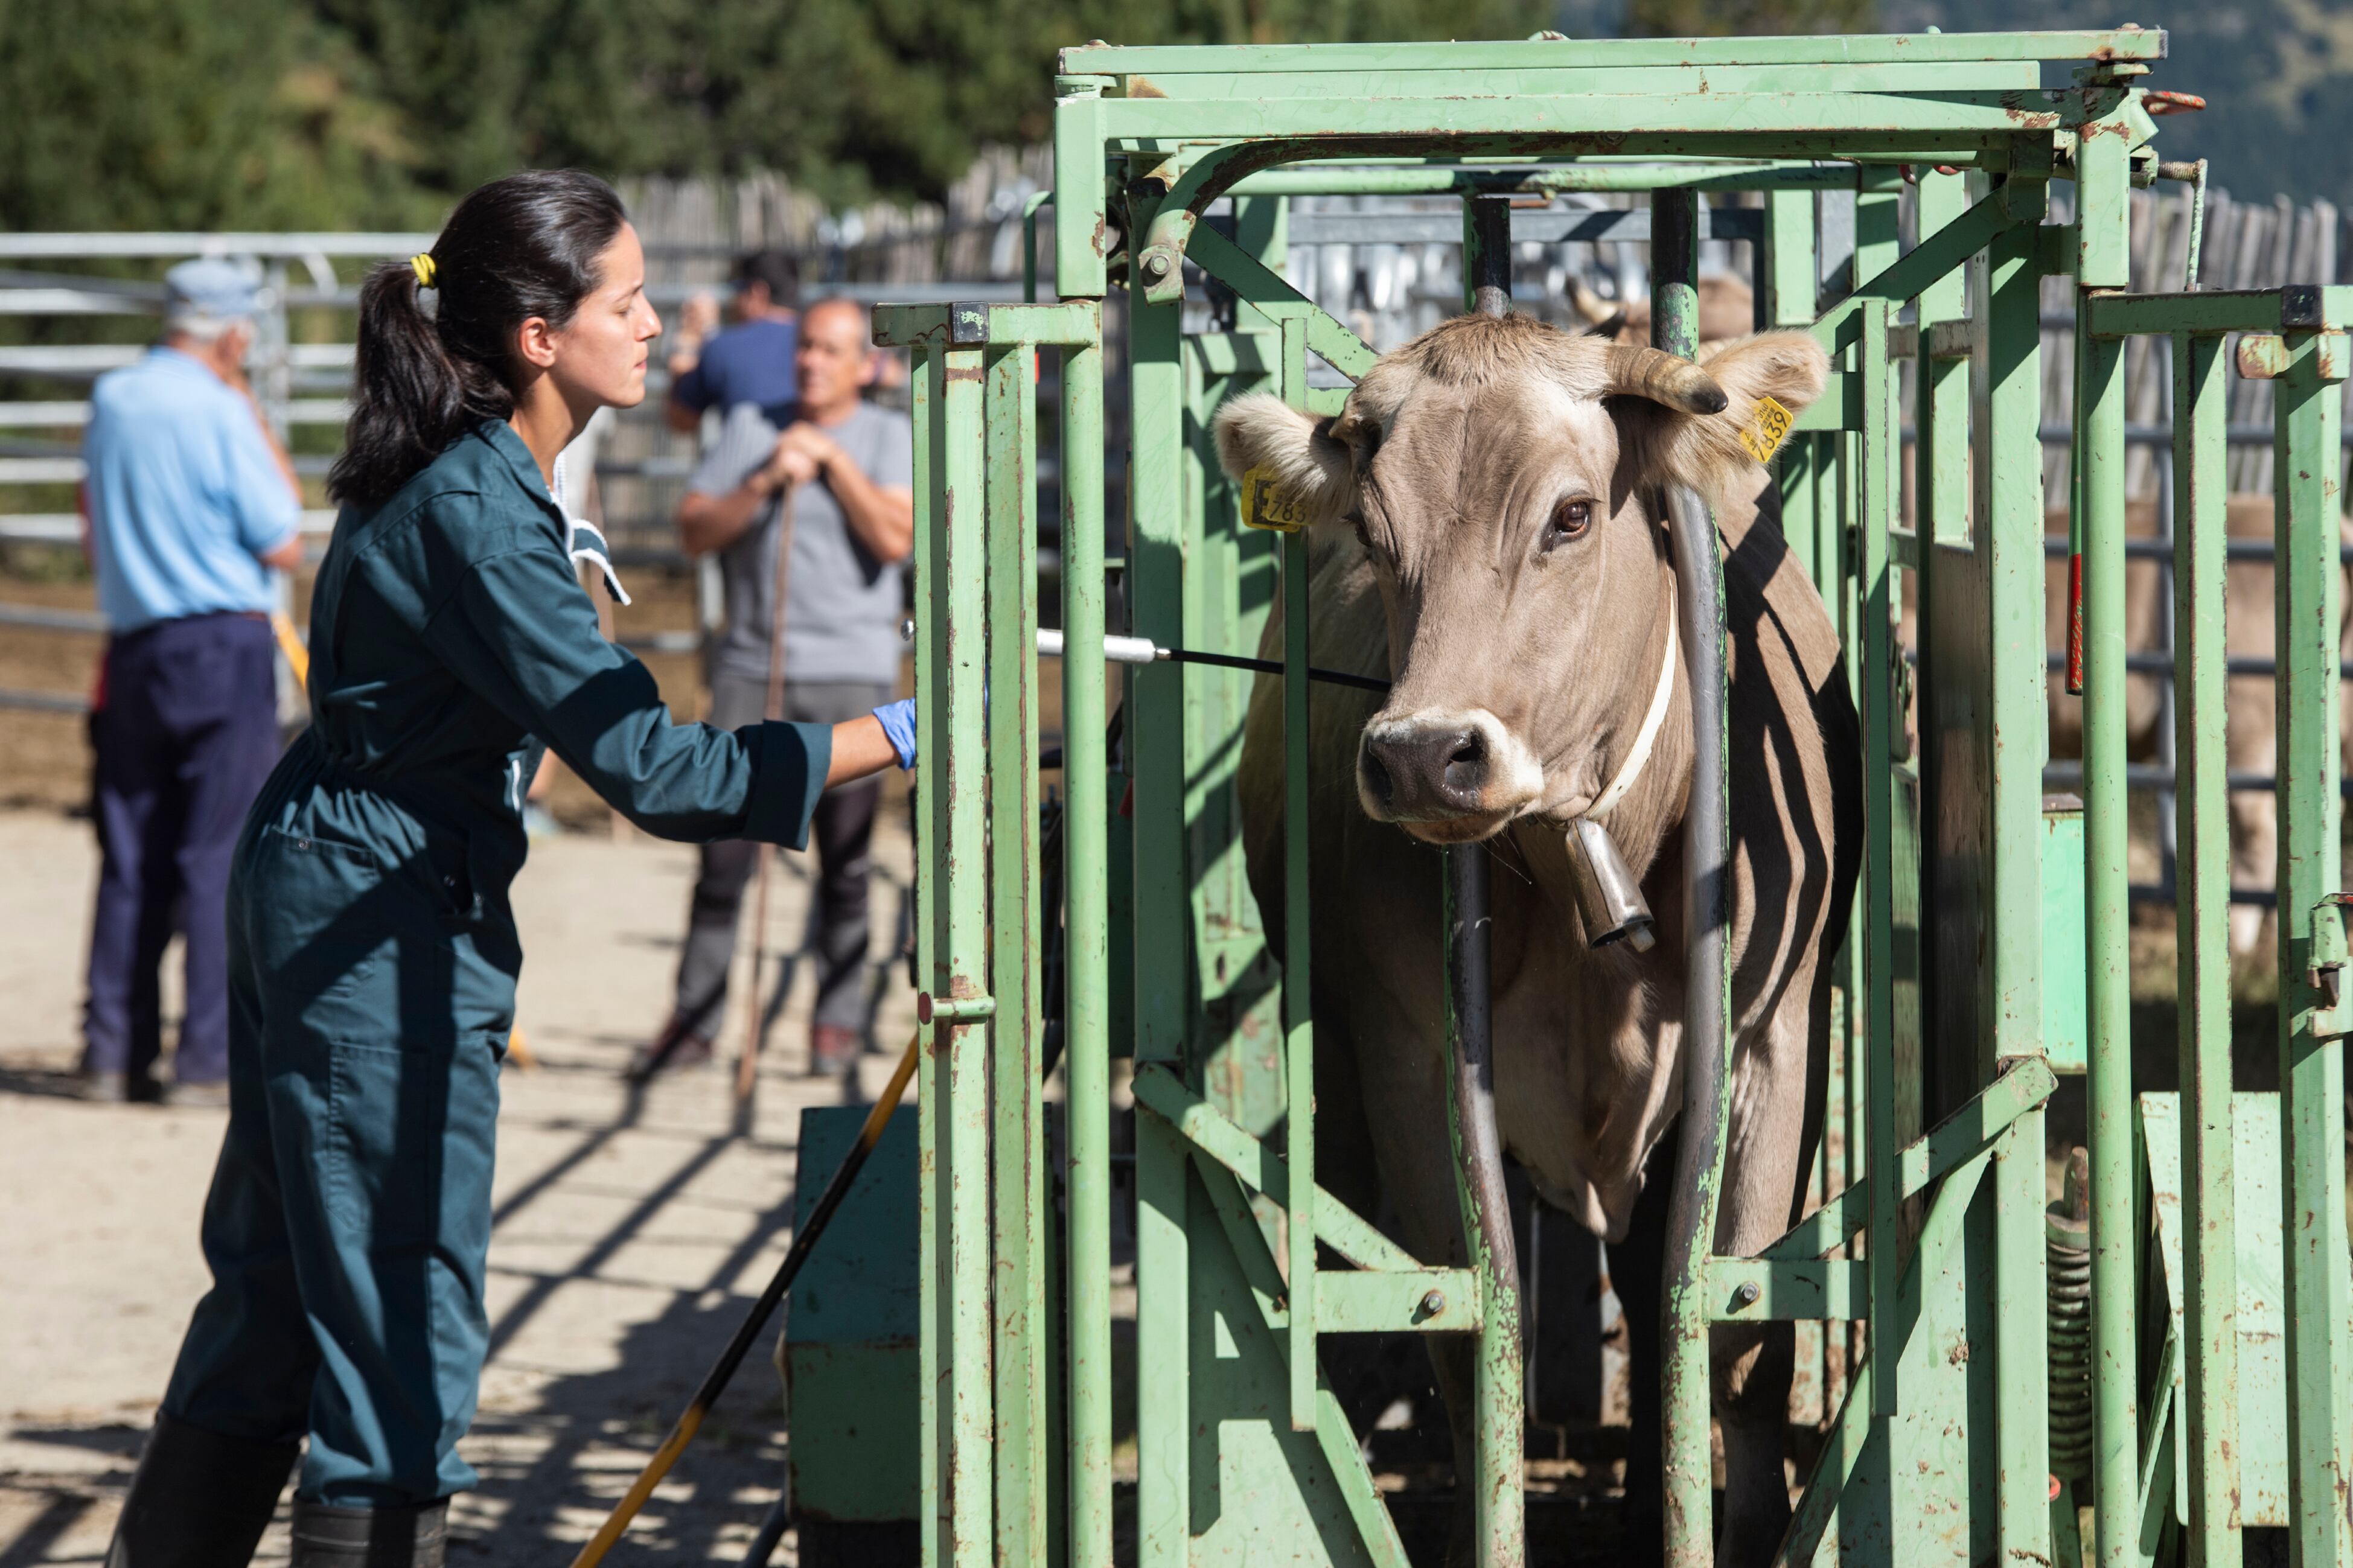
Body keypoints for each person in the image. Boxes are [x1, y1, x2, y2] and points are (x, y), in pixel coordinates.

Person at [102, 171, 918, 1568]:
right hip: (374, 914)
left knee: (288, 1289)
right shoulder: (476, 507)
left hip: (335, 873)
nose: (663, 325)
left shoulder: (478, 469)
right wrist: (902, 727)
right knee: (398, 1309)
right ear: (540, 334)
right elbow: (662, 776)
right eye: (629, 301)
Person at [633, 296, 914, 1080]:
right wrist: (765, 477)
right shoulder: (754, 426)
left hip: (850, 669)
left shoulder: (889, 435)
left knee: (847, 859)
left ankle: (836, 1022)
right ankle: (695, 1018)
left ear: (863, 362)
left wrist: (831, 463)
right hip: (755, 667)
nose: (810, 362)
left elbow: (896, 536)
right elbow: (694, 529)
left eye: (829, 350)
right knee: (721, 851)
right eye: (803, 349)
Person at [78, 258, 306, 1106]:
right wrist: (244, 401)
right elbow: (282, 535)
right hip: (222, 643)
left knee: (129, 854)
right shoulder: (219, 407)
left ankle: (112, 1049)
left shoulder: (112, 396)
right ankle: (205, 1058)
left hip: (134, 646)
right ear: (234, 333)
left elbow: (89, 520)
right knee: (218, 854)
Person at [663, 248, 800, 435]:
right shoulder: (822, 345)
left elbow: (682, 420)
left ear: (757, 293)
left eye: (738, 289)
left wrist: (688, 342)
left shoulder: (724, 346)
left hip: (753, 461)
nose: (734, 301)